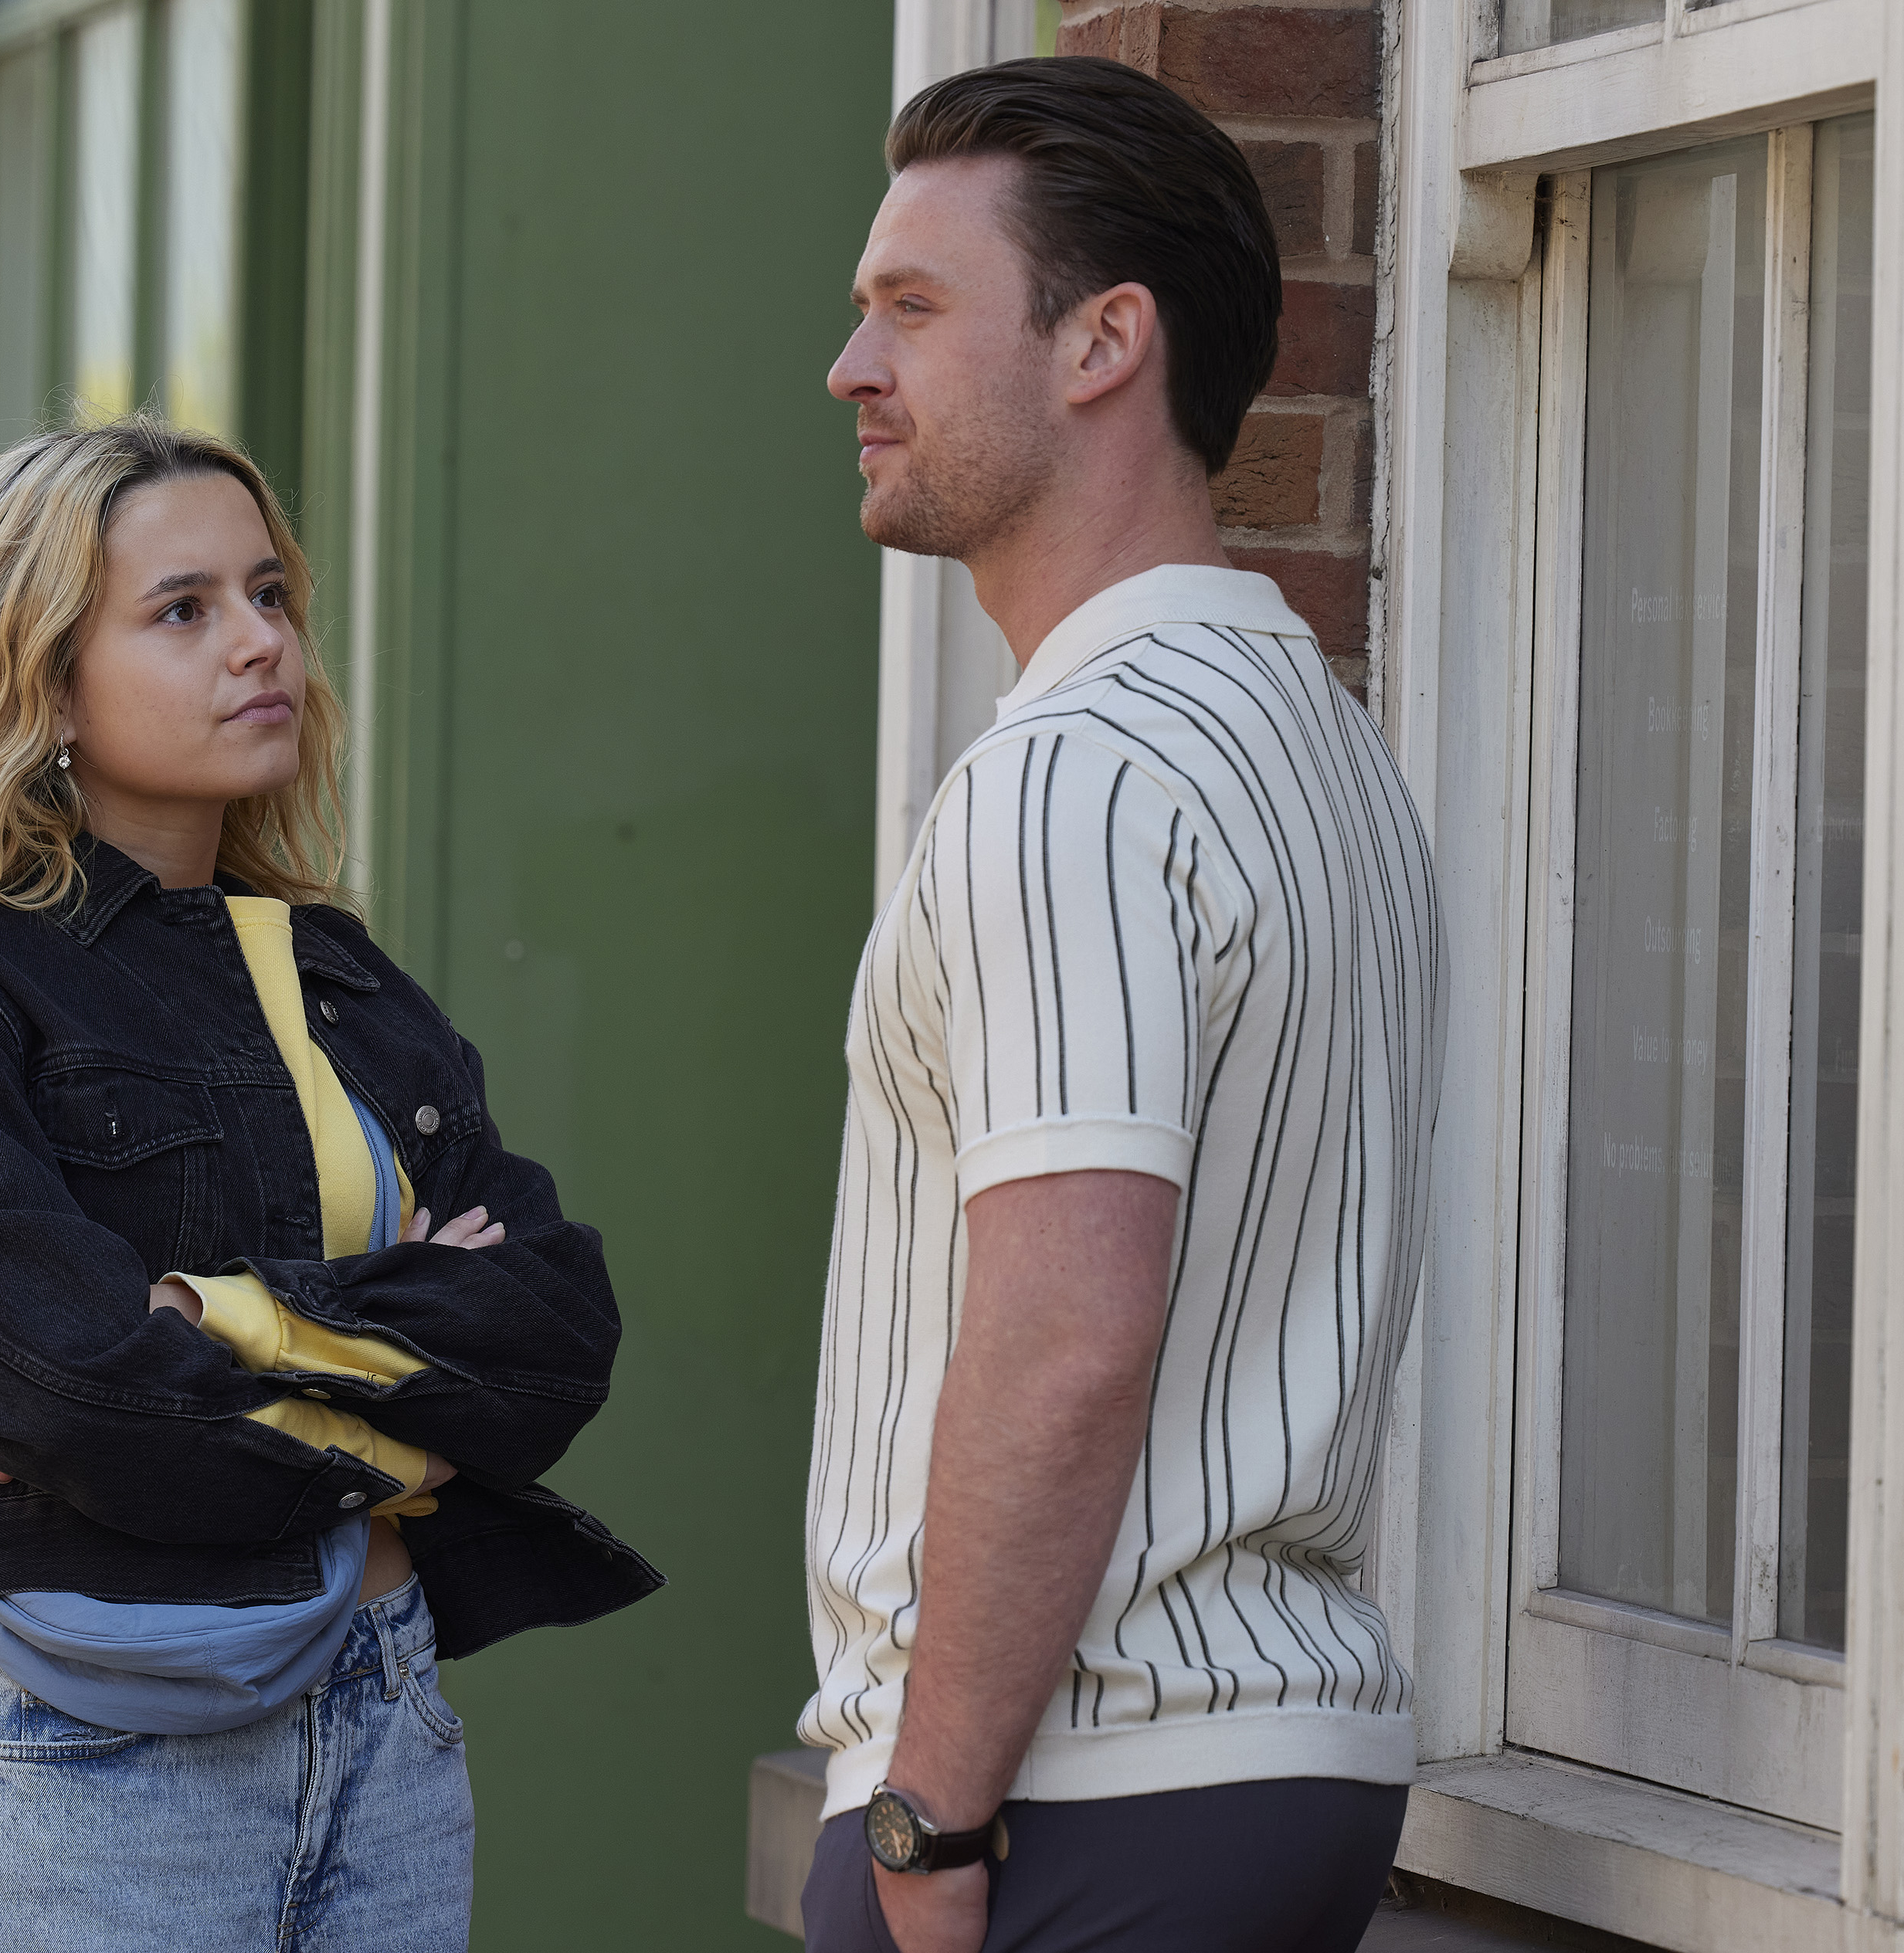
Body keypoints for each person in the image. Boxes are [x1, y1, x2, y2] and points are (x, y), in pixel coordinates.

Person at [0, 417, 659, 1953]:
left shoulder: (337, 973)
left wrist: (221, 1316)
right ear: (44, 673)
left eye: (268, 592)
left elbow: (551, 1334)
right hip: (103, 1747)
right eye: (183, 608)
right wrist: (404, 1416)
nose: (260, 640)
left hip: (384, 1710)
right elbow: (73, 1388)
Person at [796, 56, 1443, 1953]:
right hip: (1257, 1767)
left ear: (1104, 342)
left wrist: (928, 1818)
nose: (851, 367)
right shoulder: (1322, 753)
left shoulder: (1071, 777)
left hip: (1079, 1792)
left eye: (912, 309)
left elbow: (1069, 1332)